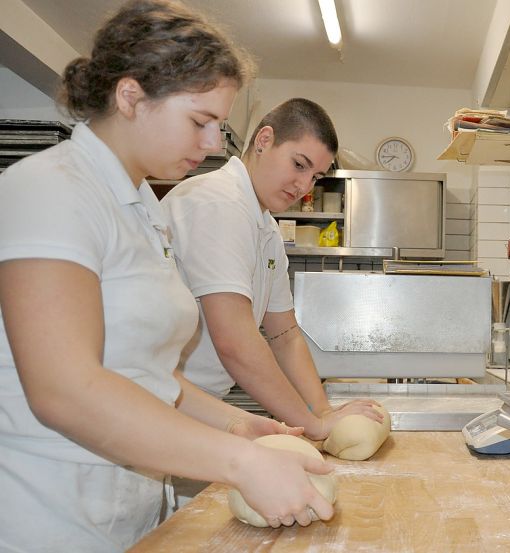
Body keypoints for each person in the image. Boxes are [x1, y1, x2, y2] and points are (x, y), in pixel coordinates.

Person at [0, 2, 335, 551]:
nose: (210, 145)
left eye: (218, 128)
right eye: (200, 122)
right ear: (130, 97)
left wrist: (236, 425)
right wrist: (240, 462)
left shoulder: (142, 209)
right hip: (47, 514)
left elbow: (142, 371)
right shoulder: (49, 190)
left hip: (128, 512)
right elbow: (63, 389)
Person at [161, 100, 383, 493]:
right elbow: (234, 341)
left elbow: (284, 334)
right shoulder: (219, 204)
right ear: (264, 140)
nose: (304, 186)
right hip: (167, 405)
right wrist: (314, 425)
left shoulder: (264, 228)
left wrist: (324, 412)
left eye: (315, 176)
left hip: (198, 406)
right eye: (299, 165)